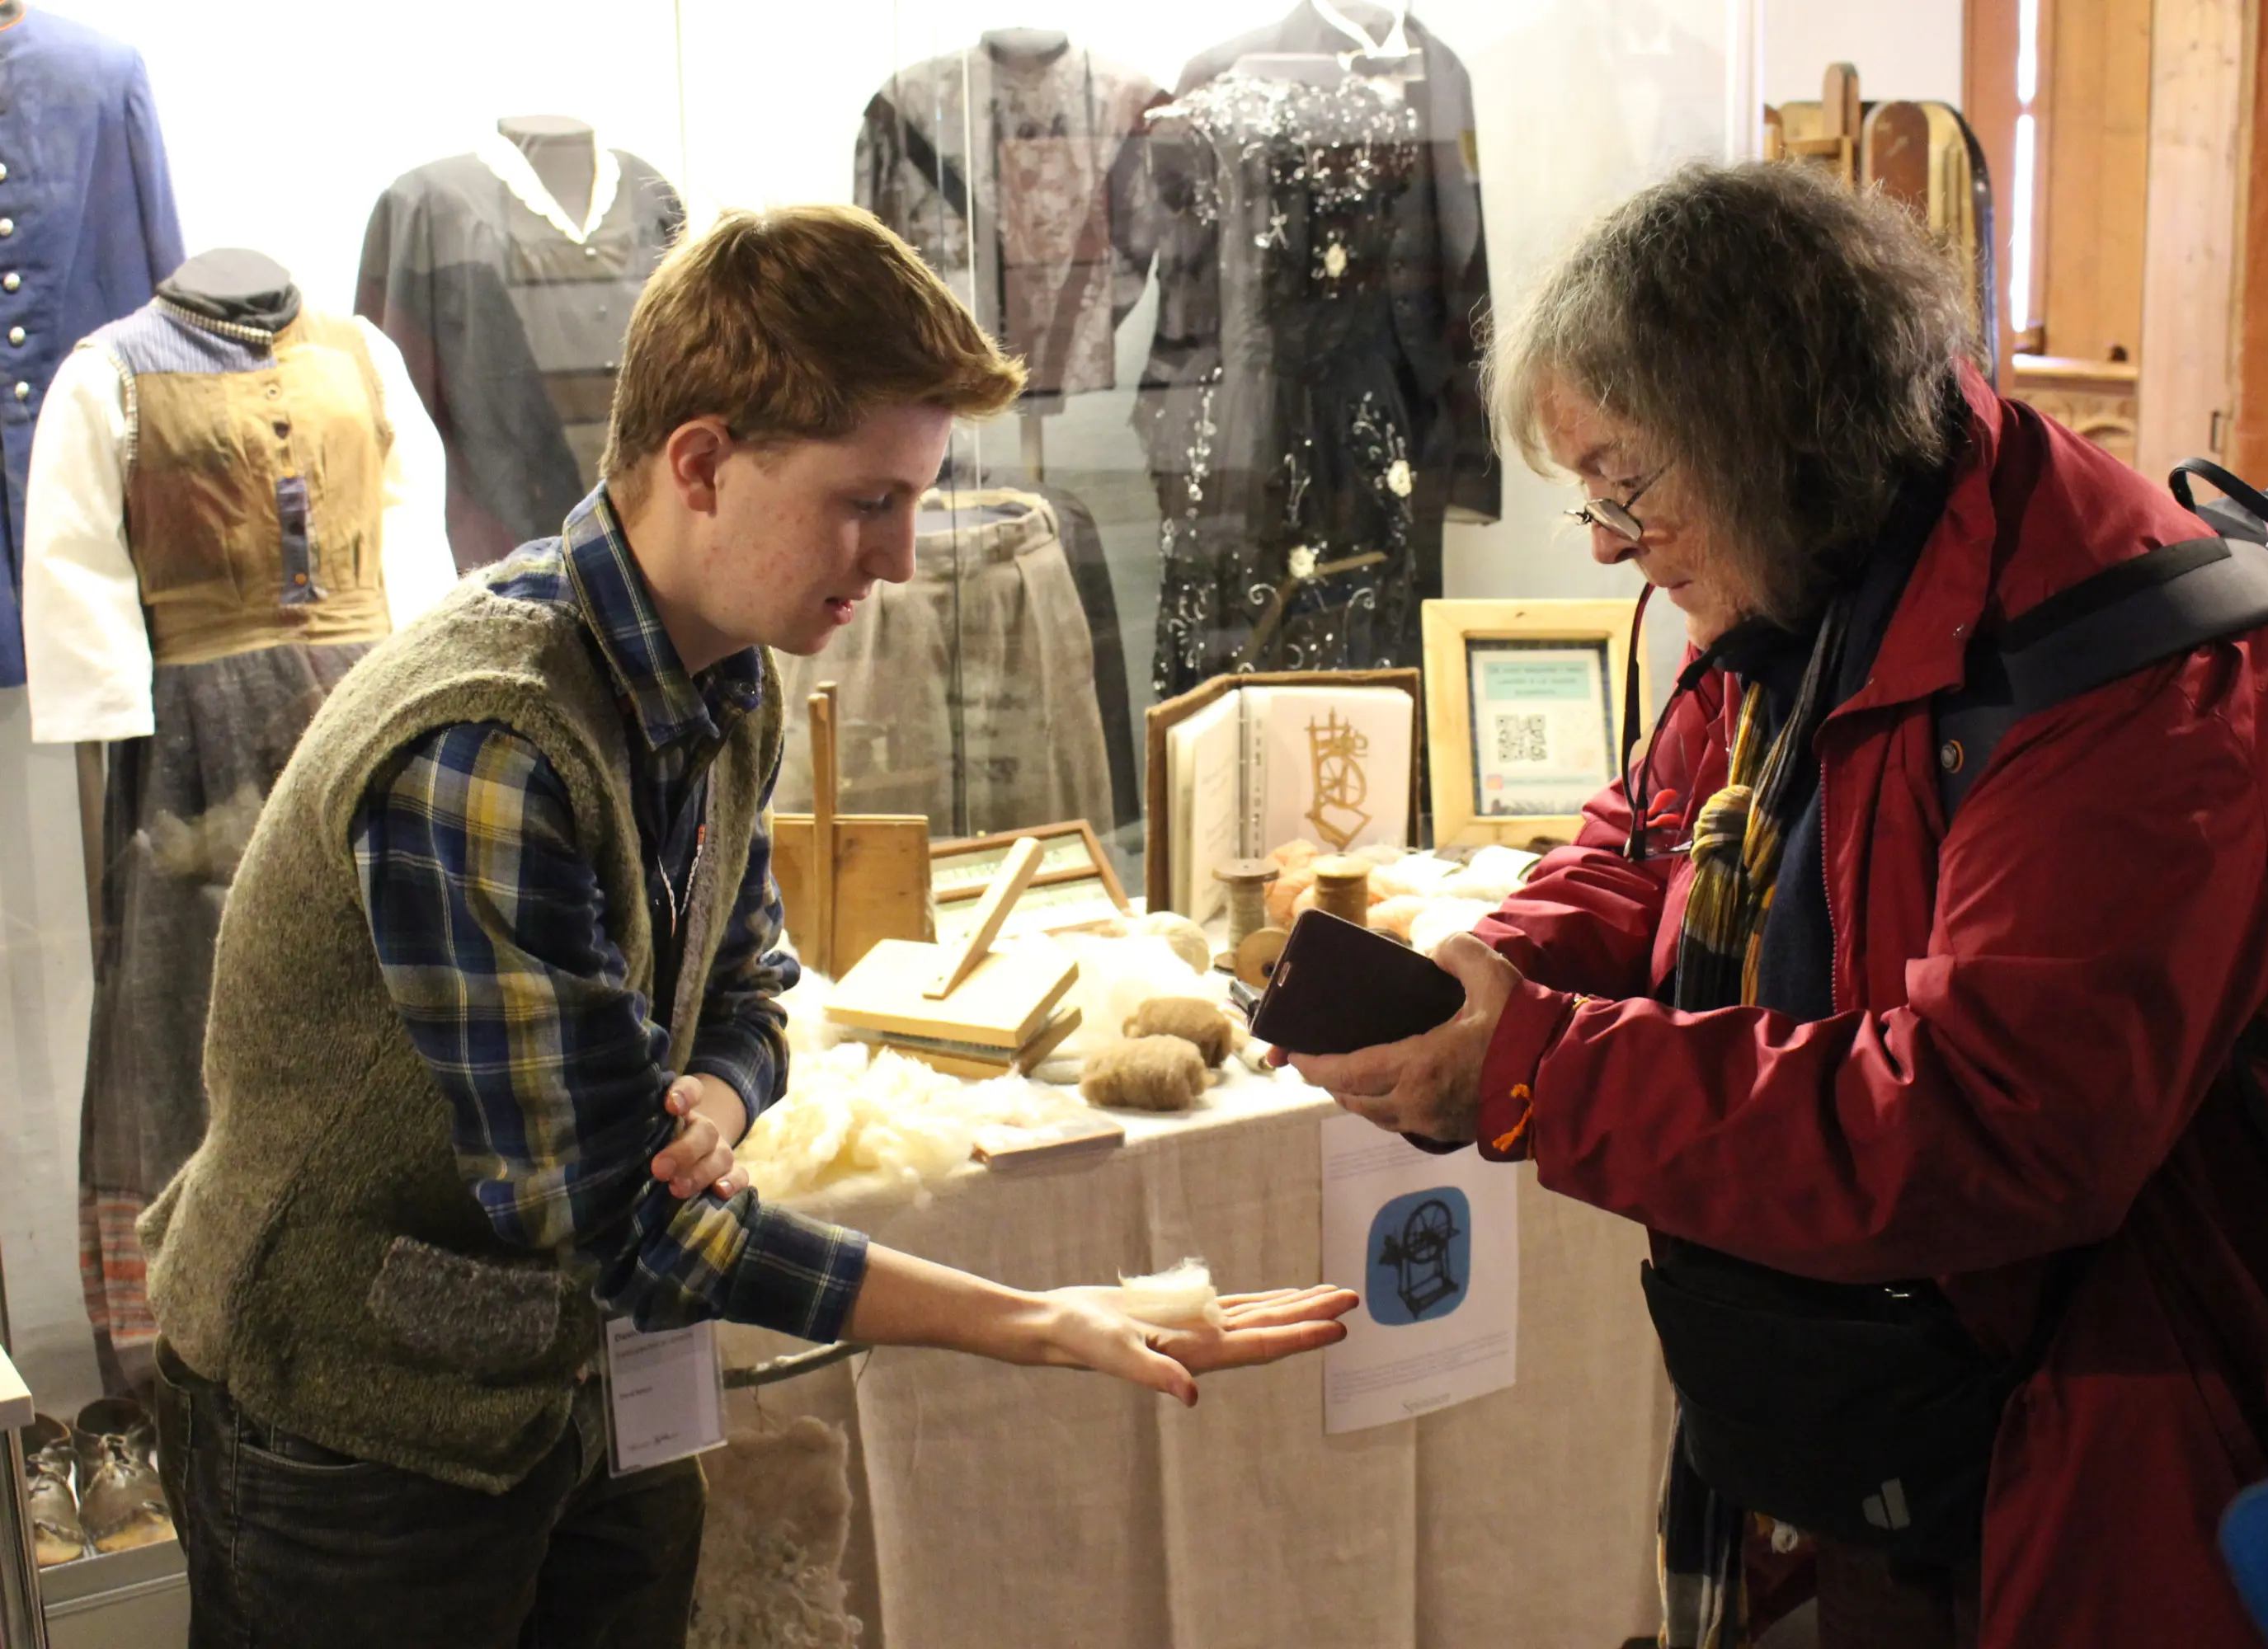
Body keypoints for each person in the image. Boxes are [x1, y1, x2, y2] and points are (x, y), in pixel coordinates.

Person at [1281, 162, 2268, 1647]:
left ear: (1768, 432)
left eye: (1624, 487)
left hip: (2187, 1403)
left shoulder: (2132, 673)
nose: (1600, 543)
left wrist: (1531, 1066)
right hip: (1948, 1397)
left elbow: (1994, 1125)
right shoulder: (1829, 564)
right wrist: (1498, 964)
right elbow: (1663, 831)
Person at [138, 204, 1355, 1648]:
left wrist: (718, 1089)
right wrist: (1042, 1319)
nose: (901, 558)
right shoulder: (487, 743)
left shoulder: (731, 676)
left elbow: (748, 978)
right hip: (348, 1429)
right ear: (702, 461)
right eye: (866, 502)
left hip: (582, 1380)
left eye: (913, 500)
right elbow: (620, 1217)